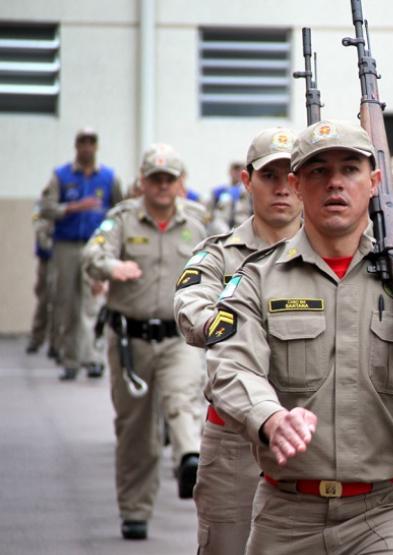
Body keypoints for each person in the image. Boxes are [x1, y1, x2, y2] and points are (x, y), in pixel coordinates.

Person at [204, 120, 393, 554]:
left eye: (349, 169)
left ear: (373, 182)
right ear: (296, 185)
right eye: (318, 171)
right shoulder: (256, 278)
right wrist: (271, 417)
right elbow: (229, 368)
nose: (335, 183)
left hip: (385, 512)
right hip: (285, 514)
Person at [173, 127, 302, 554]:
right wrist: (242, 326)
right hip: (235, 439)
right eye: (269, 177)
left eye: (291, 176)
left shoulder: (332, 256)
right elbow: (193, 310)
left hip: (309, 429)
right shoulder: (219, 255)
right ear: (247, 181)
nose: (282, 188)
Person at [83, 143, 210, 541]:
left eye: (168, 179)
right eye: (154, 179)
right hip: (130, 339)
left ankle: (189, 457)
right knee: (136, 431)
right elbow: (92, 254)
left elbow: (217, 265)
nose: (161, 186)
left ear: (180, 183)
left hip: (179, 338)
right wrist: (112, 266)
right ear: (142, 182)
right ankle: (135, 510)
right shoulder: (121, 219)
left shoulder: (197, 222)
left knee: (182, 399)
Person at [39, 127, 123, 380]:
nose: (87, 147)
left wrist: (112, 243)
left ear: (96, 146)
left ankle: (92, 358)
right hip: (67, 246)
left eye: (91, 142)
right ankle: (70, 358)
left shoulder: (108, 177)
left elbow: (119, 212)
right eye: (82, 142)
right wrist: (73, 207)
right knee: (66, 301)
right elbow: (45, 207)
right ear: (76, 146)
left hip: (95, 245)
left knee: (92, 302)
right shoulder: (62, 176)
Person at [26, 203, 55, 355]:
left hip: (62, 258)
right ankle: (37, 337)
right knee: (44, 299)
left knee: (61, 302)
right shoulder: (44, 205)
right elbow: (39, 228)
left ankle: (56, 342)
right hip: (47, 259)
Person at [210, 162, 249, 230]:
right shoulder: (219, 191)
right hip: (223, 229)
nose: (237, 173)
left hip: (242, 226)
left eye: (240, 170)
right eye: (235, 170)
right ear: (230, 171)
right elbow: (211, 210)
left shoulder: (248, 191)